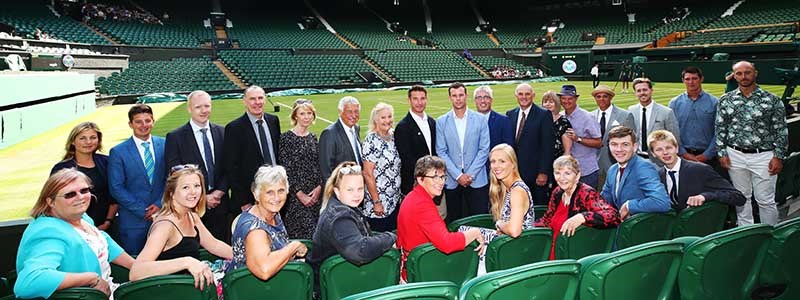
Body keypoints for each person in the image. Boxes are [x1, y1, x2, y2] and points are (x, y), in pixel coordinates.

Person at [14, 169, 135, 299]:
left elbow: (102, 241)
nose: (80, 197)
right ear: (50, 201)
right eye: (70, 194)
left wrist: (136, 265)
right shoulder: (48, 231)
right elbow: (29, 281)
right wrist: (92, 278)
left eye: (84, 190)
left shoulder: (82, 218)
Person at [130, 165, 232, 288]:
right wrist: (186, 262)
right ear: (171, 193)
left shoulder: (191, 216)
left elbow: (214, 244)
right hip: (169, 290)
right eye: (185, 187)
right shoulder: (165, 226)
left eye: (197, 186)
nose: (193, 192)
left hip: (189, 287)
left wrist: (245, 256)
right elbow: (136, 272)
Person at [716, 61, 788, 225]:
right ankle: (746, 234)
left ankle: (770, 234)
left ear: (755, 73)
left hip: (763, 155)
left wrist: (778, 156)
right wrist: (722, 153)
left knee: (765, 200)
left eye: (747, 72)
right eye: (739, 73)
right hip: (735, 154)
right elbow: (720, 127)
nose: (743, 77)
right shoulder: (726, 99)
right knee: (742, 198)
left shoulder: (772, 99)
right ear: (734, 75)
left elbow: (781, 130)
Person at [308, 162, 396, 291]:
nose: (356, 194)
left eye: (360, 189)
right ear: (337, 191)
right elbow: (360, 251)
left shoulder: (347, 206)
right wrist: (392, 238)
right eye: (350, 189)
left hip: (342, 280)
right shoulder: (339, 217)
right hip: (330, 289)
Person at [396, 155, 485, 281]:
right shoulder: (422, 204)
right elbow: (447, 243)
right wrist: (475, 232)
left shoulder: (412, 197)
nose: (441, 182)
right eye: (434, 177)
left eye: (443, 177)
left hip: (414, 268)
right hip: (422, 273)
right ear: (420, 179)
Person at [165, 90, 229, 241]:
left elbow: (229, 167)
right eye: (198, 107)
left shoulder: (223, 132)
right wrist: (203, 198)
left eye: (207, 106)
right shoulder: (175, 137)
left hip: (222, 205)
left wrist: (219, 192)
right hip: (192, 208)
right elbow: (174, 174)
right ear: (189, 109)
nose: (203, 110)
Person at [227, 166, 308, 278]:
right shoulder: (255, 230)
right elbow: (264, 270)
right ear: (256, 195)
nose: (276, 198)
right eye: (269, 192)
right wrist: (293, 247)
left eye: (281, 191)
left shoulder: (272, 212)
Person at [535, 156, 620, 260]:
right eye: (558, 173)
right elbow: (547, 220)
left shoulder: (586, 193)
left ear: (577, 175)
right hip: (552, 249)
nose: (562, 178)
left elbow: (614, 215)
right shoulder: (557, 192)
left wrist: (582, 217)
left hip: (573, 255)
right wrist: (528, 226)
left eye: (567, 173)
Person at [109, 104, 167, 255]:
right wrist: (143, 210)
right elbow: (116, 187)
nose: (144, 125)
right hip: (133, 222)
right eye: (138, 121)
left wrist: (159, 203)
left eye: (147, 120)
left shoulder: (165, 144)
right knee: (135, 267)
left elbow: (171, 178)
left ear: (153, 121)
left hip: (163, 217)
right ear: (130, 124)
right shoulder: (118, 151)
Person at [649, 130, 746, 211]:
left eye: (669, 148)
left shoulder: (700, 170)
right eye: (659, 150)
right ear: (653, 154)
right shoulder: (658, 177)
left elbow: (738, 197)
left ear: (677, 148)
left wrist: (705, 196)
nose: (665, 152)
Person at [436, 82, 491, 222]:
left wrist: (469, 174)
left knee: (479, 220)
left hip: (477, 179)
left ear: (466, 96)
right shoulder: (441, 121)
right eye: (454, 96)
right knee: (456, 221)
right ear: (450, 98)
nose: (458, 98)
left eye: (461, 95)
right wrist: (458, 175)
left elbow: (484, 149)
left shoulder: (480, 119)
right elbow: (441, 151)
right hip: (452, 181)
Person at [223, 86, 280, 215]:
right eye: (252, 99)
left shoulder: (273, 121)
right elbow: (231, 167)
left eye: (260, 98)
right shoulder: (234, 128)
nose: (257, 102)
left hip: (275, 191)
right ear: (245, 101)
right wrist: (244, 202)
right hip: (250, 197)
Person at [51, 122, 117, 230]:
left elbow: (114, 196)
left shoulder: (107, 162)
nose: (88, 142)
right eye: (82, 138)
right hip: (73, 227)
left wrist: (108, 222)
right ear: (73, 141)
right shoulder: (61, 169)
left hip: (106, 226)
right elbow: (55, 201)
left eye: (93, 137)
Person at [599, 126, 670, 220]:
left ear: (635, 147)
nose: (619, 149)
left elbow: (661, 202)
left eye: (625, 144)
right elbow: (603, 201)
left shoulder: (643, 168)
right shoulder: (613, 169)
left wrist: (629, 205)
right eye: (614, 144)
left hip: (639, 228)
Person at [278, 99, 323, 240]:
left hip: (315, 195)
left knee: (317, 234)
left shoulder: (313, 138)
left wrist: (319, 188)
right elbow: (286, 169)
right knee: (302, 236)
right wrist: (300, 194)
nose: (306, 117)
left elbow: (318, 165)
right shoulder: (286, 138)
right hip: (296, 198)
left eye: (309, 113)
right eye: (302, 113)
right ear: (295, 116)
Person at [507, 83, 555, 205]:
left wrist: (543, 172)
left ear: (533, 95)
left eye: (527, 94)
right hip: (514, 173)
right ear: (516, 96)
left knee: (536, 208)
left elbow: (548, 146)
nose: (524, 97)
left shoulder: (544, 115)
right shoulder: (510, 114)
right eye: (520, 94)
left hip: (536, 175)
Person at [669, 67, 722, 174]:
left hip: (709, 157)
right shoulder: (675, 103)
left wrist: (706, 155)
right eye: (687, 79)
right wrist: (683, 153)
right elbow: (672, 132)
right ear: (683, 80)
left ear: (701, 79)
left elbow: (719, 131)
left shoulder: (715, 102)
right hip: (683, 156)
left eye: (694, 78)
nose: (691, 82)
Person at [361, 103, 403, 232]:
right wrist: (376, 202)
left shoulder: (394, 136)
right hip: (380, 201)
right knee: (381, 240)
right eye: (383, 117)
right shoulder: (371, 141)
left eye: (389, 116)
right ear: (376, 120)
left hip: (395, 199)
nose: (387, 120)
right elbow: (368, 173)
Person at [395, 85, 437, 196]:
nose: (419, 102)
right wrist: (427, 174)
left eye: (422, 98)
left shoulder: (432, 122)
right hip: (415, 183)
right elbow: (407, 159)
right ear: (409, 100)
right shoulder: (402, 127)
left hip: (433, 180)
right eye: (415, 99)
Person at [628, 77, 680, 166]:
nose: (642, 93)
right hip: (636, 160)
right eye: (639, 90)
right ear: (635, 93)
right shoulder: (631, 111)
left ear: (651, 90)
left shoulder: (666, 112)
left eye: (645, 90)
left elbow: (675, 138)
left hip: (659, 161)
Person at [558, 85, 603, 188]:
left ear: (576, 99)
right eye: (563, 98)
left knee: (587, 203)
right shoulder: (560, 116)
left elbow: (599, 143)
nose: (566, 101)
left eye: (570, 99)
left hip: (586, 171)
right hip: (566, 171)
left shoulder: (588, 117)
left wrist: (578, 139)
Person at [488, 144, 535, 238]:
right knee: (467, 232)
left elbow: (514, 231)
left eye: (502, 161)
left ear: (513, 164)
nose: (496, 166)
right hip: (507, 244)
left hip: (517, 248)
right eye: (493, 161)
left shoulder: (517, 191)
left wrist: (499, 224)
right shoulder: (507, 188)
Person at [591, 85, 636, 182]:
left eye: (605, 96)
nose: (601, 99)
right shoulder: (590, 116)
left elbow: (633, 140)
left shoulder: (625, 115)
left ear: (610, 97)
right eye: (598, 96)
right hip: (595, 165)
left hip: (617, 162)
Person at [319, 96, 362, 181]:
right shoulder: (329, 133)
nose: (353, 115)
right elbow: (326, 171)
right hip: (341, 189)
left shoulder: (356, 128)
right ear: (340, 112)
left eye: (356, 111)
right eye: (349, 112)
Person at [473, 85, 514, 150]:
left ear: (491, 100)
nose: (483, 101)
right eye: (479, 97)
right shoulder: (468, 121)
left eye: (486, 97)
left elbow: (508, 148)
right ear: (475, 100)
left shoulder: (503, 121)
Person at [541, 90, 573, 159]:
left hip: (558, 161)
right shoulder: (539, 120)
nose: (548, 104)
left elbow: (567, 150)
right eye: (545, 102)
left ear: (557, 104)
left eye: (551, 102)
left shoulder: (563, 122)